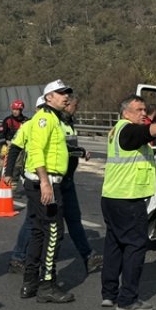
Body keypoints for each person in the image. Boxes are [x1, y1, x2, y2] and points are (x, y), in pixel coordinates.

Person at [101, 96, 156, 310]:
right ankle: (127, 300)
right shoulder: (128, 131)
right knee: (135, 246)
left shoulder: (118, 131)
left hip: (113, 197)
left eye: (145, 110)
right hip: (128, 199)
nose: (143, 114)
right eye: (138, 110)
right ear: (125, 113)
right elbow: (146, 132)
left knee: (114, 245)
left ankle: (109, 294)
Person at [18, 80, 80, 303]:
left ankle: (30, 282)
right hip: (46, 183)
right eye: (60, 93)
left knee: (37, 232)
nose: (65, 97)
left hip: (42, 182)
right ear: (48, 98)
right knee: (54, 232)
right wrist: (45, 182)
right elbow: (36, 151)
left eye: (67, 93)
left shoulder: (53, 118)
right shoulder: (45, 118)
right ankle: (47, 284)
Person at [60, 92, 103, 273]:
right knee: (37, 225)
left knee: (74, 219)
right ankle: (21, 258)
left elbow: (69, 147)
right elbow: (59, 149)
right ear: (66, 104)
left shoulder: (69, 122)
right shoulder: (57, 122)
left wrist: (80, 151)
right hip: (55, 180)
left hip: (67, 178)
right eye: (74, 106)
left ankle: (88, 256)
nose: (76, 109)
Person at [6, 95, 43, 274]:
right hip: (34, 179)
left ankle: (31, 256)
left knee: (44, 221)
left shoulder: (55, 125)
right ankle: (20, 256)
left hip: (54, 181)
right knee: (33, 219)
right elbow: (14, 148)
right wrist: (8, 173)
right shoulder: (29, 126)